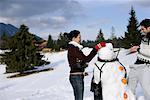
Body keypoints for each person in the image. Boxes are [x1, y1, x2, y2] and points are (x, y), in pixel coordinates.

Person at [67, 30, 106, 100]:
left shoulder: (73, 48)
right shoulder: (73, 48)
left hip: (76, 76)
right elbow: (86, 59)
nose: (80, 39)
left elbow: (77, 62)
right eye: (79, 37)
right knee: (79, 98)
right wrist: (96, 48)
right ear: (74, 38)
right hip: (76, 77)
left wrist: (82, 67)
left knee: (78, 98)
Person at [128, 19, 150, 100]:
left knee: (147, 89)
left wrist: (138, 49)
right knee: (130, 88)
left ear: (149, 28)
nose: (141, 31)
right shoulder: (144, 37)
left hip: (146, 67)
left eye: (143, 29)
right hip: (136, 65)